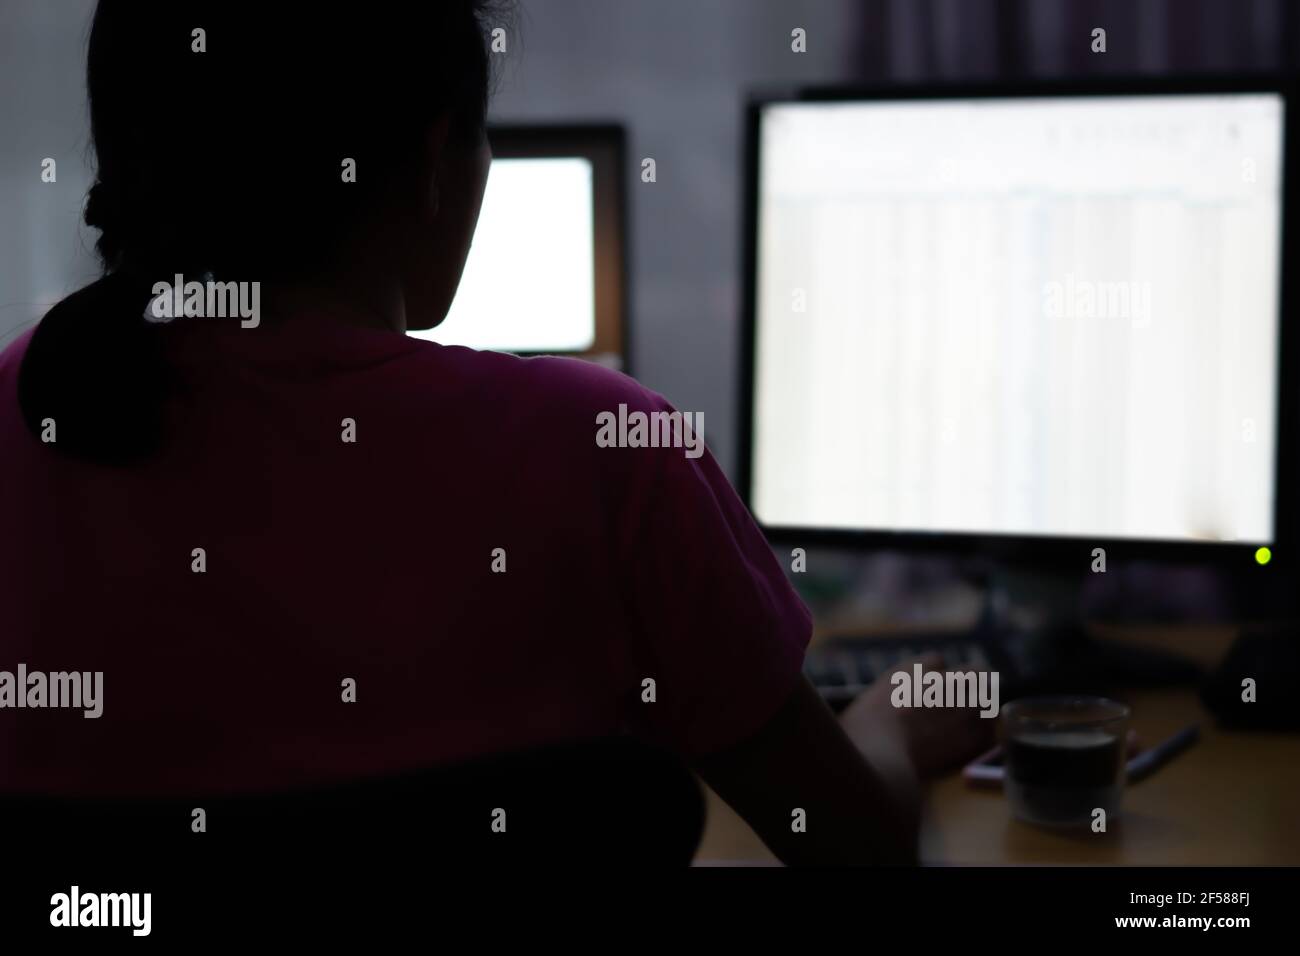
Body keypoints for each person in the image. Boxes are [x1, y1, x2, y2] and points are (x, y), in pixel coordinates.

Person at [0, 0, 988, 867]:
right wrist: (892, 723)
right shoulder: (608, 454)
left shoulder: (21, 403)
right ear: (434, 163)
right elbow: (853, 842)